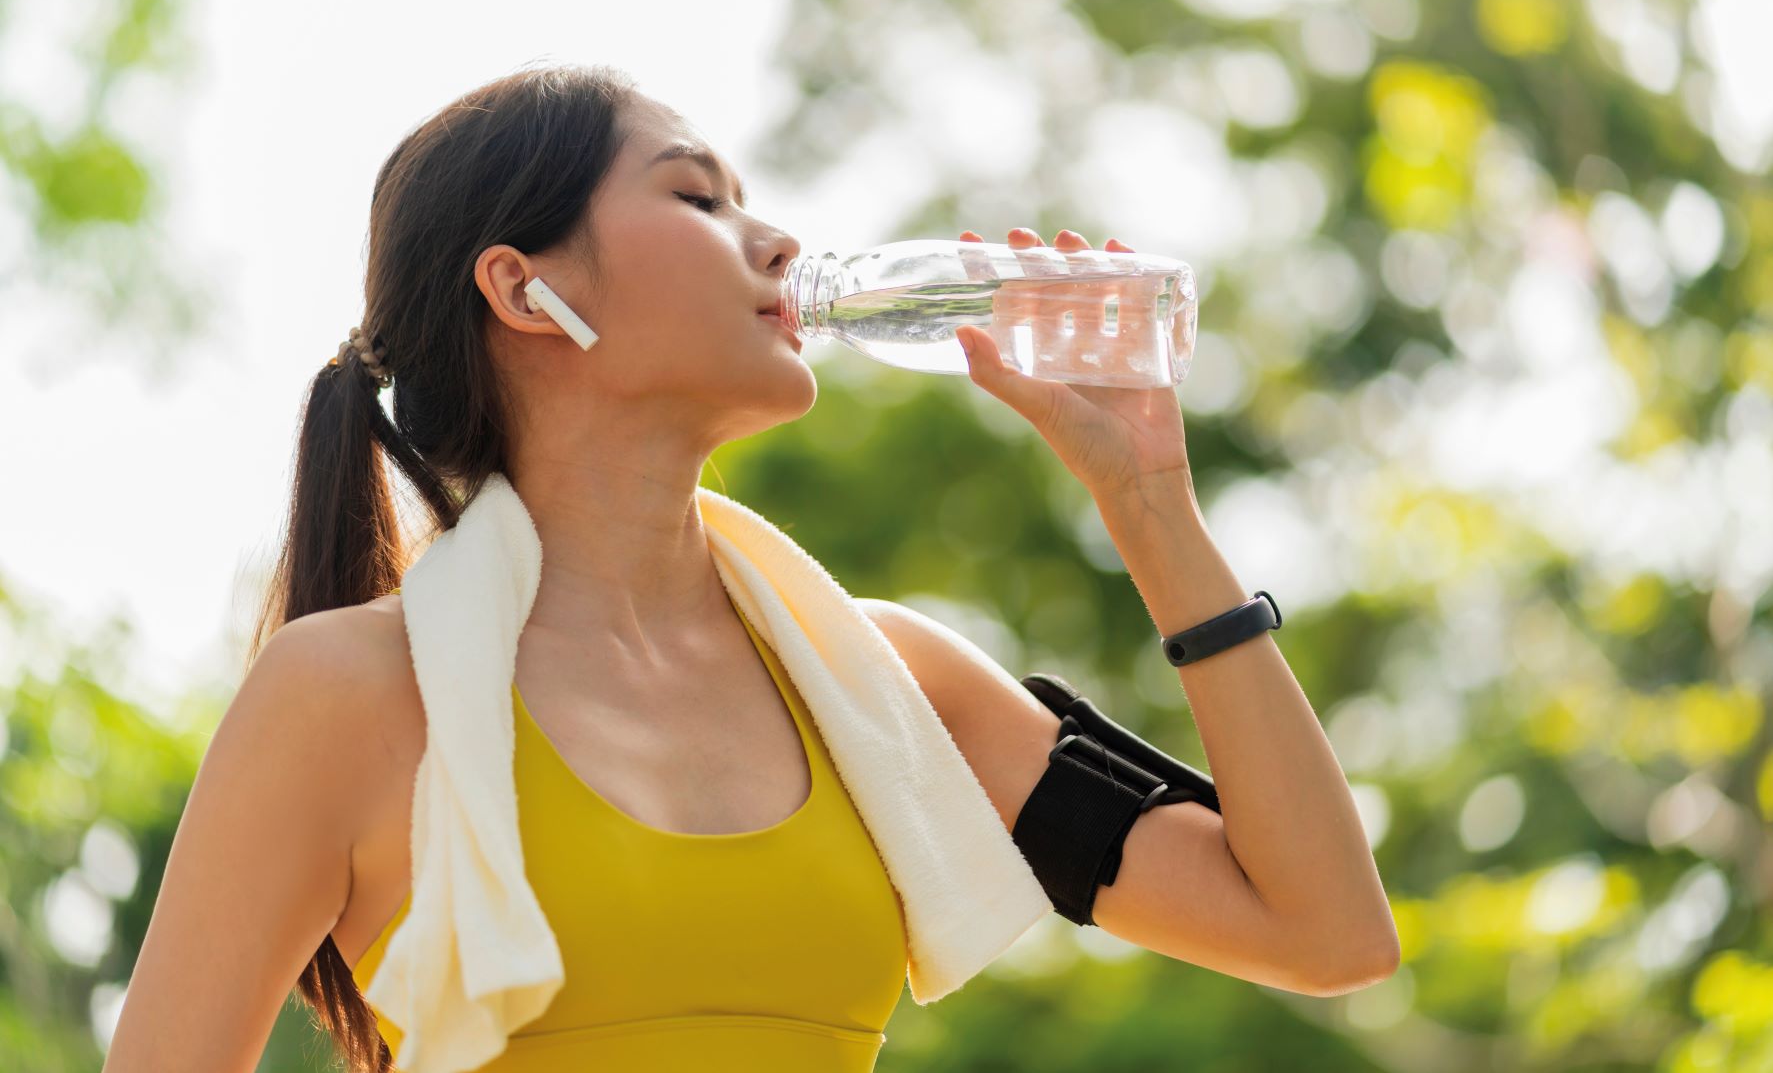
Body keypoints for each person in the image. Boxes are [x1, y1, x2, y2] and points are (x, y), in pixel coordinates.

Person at [104, 62, 1399, 1073]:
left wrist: (1148, 502)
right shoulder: (349, 693)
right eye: (697, 195)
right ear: (524, 287)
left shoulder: (888, 683)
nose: (777, 241)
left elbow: (1322, 931)